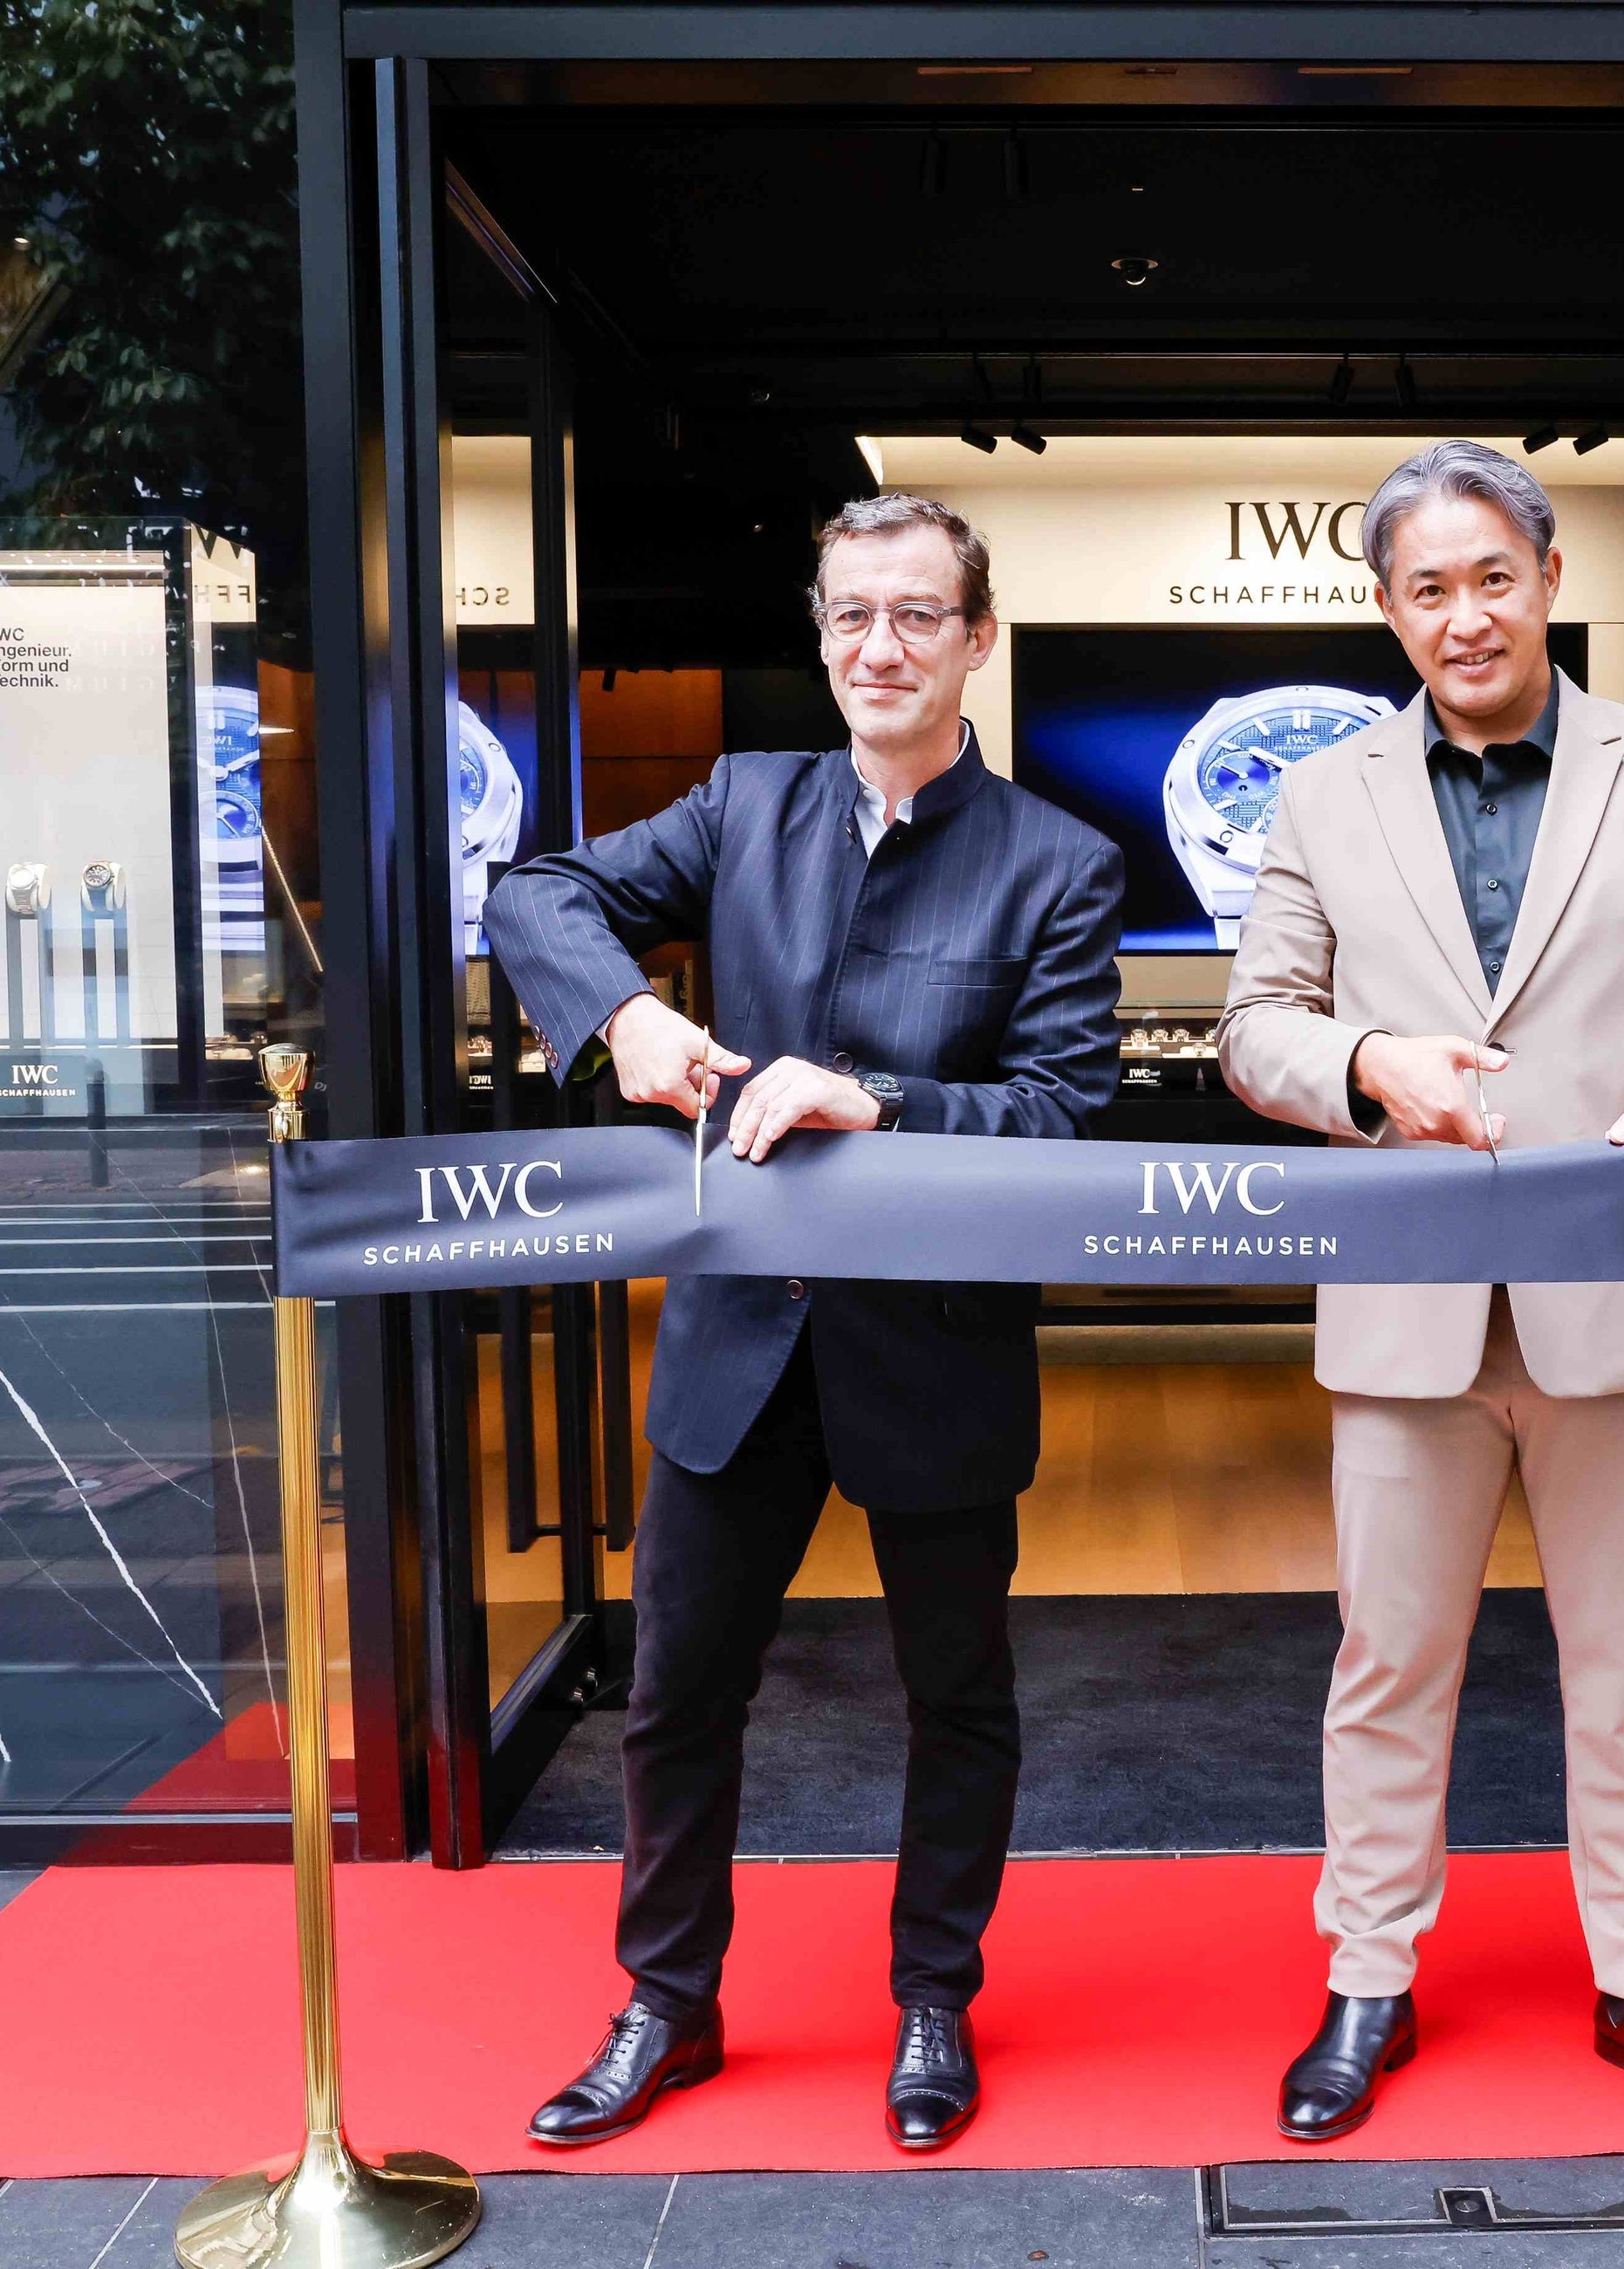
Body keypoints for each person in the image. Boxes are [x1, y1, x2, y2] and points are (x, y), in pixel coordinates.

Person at [483, 494, 1123, 2153]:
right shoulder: (742, 803)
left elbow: (1064, 1113)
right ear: (822, 632)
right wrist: (623, 1015)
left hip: (935, 1350)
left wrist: (880, 1100)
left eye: (917, 615)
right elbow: (536, 894)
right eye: (851, 615)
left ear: (977, 640)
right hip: (737, 1346)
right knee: (676, 1694)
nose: (878, 646)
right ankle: (667, 2004)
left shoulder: (1060, 863)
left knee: (956, 1699)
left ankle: (934, 2000)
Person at [1217, 442, 1624, 2142]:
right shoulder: (1323, 797)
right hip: (1405, 1305)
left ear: (1549, 578)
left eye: (1492, 577)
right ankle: (1368, 1979)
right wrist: (1367, 1063)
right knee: (1387, 1667)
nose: (1464, 615)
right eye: (1428, 588)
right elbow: (1257, 1029)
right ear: (1387, 609)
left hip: (1621, 1297)